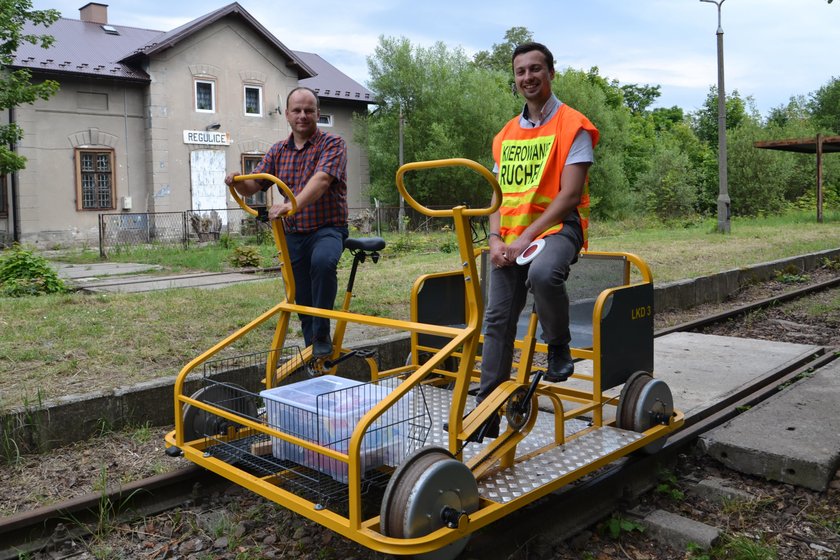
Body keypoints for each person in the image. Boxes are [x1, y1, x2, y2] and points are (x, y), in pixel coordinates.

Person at [476, 42, 600, 439]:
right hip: (511, 237)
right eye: (520, 71)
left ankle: (559, 345)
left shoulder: (573, 125)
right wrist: (495, 239)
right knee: (496, 321)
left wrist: (527, 236)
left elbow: (568, 195)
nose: (527, 77)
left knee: (545, 274)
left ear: (551, 72)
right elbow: (496, 194)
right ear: (514, 79)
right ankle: (485, 416)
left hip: (557, 228)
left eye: (535, 69)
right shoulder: (506, 135)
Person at [225, 86, 348, 358]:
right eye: (297, 110)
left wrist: (291, 205)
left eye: (308, 110)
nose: (302, 115)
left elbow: (322, 180)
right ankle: (313, 350)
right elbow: (255, 184)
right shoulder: (279, 150)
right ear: (287, 115)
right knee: (299, 290)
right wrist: (237, 182)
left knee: (323, 263)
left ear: (317, 113)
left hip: (327, 228)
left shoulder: (333, 144)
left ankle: (321, 334)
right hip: (294, 232)